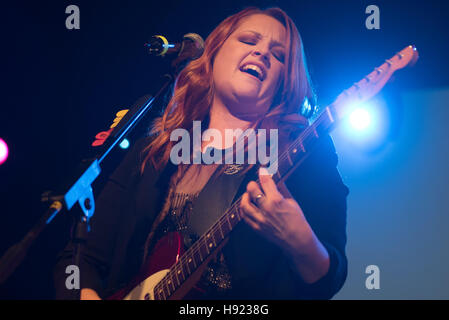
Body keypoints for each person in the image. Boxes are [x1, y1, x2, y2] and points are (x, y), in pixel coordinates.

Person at [54, 6, 349, 300]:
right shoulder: (153, 153)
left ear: (285, 83)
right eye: (248, 40)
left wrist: (302, 243)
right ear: (213, 54)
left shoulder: (302, 151)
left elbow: (329, 278)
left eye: (279, 55)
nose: (262, 53)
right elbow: (81, 258)